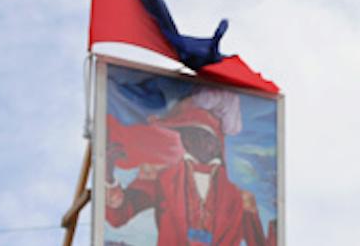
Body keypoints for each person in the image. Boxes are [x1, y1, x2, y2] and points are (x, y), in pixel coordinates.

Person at [106, 89, 268, 246]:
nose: (189, 140)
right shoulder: (161, 178)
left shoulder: (242, 199)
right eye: (185, 133)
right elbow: (118, 216)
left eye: (200, 134)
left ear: (217, 142)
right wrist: (108, 176)